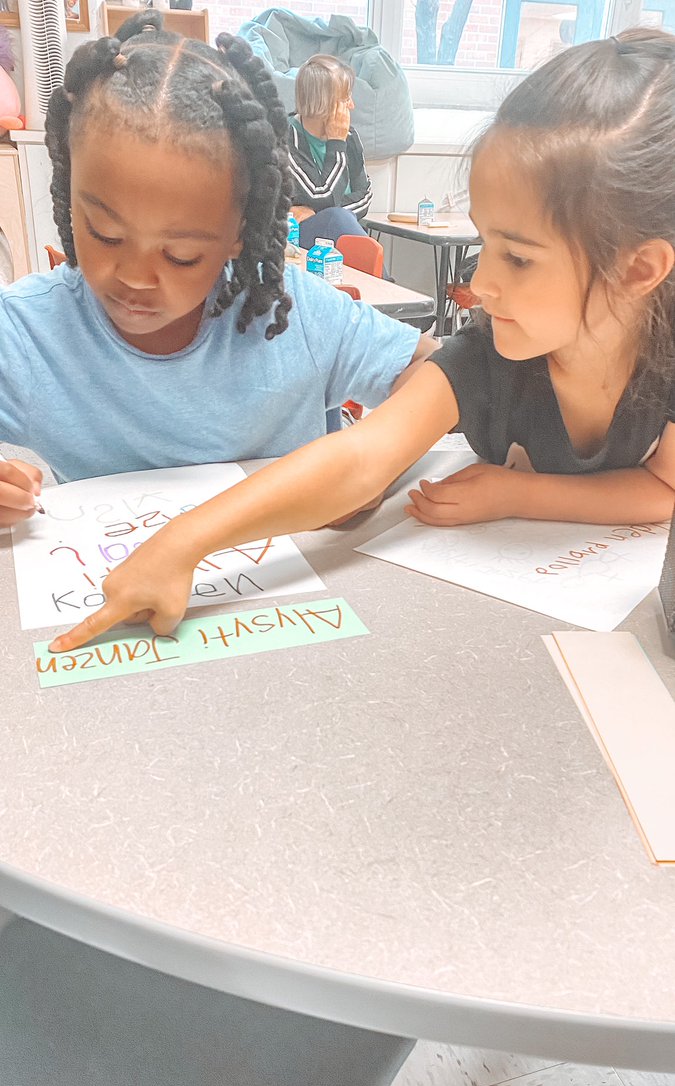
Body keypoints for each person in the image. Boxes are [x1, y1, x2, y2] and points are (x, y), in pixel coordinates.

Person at [52, 28, 675, 654]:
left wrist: (524, 493)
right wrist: (180, 543)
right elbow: (358, 458)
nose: (479, 283)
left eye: (516, 258)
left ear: (637, 270)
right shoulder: (488, 360)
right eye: (485, 243)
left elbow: (664, 491)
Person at [0, 13, 434, 524]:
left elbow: (437, 370)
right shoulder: (29, 333)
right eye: (106, 235)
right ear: (68, 195)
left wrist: (368, 458)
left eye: (181, 255)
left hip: (290, 590)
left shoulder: (294, 316)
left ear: (238, 234)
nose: (136, 278)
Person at [287, 54, 372, 250]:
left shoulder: (349, 137)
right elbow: (320, 196)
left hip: (339, 240)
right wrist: (336, 144)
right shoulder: (286, 138)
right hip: (297, 242)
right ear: (323, 103)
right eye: (345, 98)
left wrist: (317, 212)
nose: (352, 105)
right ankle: (385, 281)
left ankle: (383, 281)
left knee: (337, 216)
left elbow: (364, 196)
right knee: (336, 217)